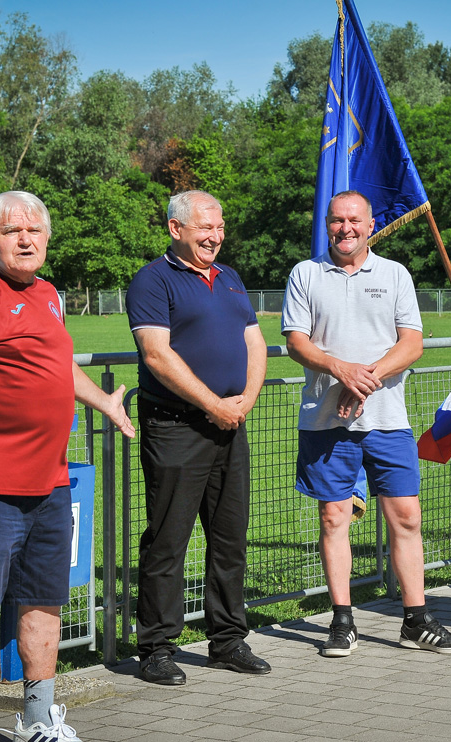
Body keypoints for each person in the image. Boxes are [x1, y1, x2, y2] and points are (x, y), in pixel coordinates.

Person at [0, 191, 136, 742]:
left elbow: (58, 367)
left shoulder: (49, 294)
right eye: (13, 231)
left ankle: (39, 720)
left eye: (35, 230)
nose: (26, 239)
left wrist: (103, 402)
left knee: (44, 604)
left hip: (50, 485)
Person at [282, 190, 451, 658]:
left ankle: (416, 620)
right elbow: (296, 343)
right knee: (334, 517)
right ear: (327, 224)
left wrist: (364, 380)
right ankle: (342, 621)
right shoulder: (305, 274)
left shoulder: (395, 274)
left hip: (388, 420)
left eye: (354, 220)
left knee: (406, 517)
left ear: (370, 226)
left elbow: (411, 344)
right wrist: (340, 370)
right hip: (326, 422)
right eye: (336, 220)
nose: (345, 228)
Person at [125, 190, 270, 685]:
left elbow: (255, 342)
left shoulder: (230, 278)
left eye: (220, 227)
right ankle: (156, 649)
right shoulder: (153, 279)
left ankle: (227, 640)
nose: (215, 236)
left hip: (231, 425)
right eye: (205, 227)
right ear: (176, 229)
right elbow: (157, 355)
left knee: (229, 538)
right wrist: (213, 404)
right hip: (176, 427)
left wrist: (244, 402)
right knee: (168, 540)